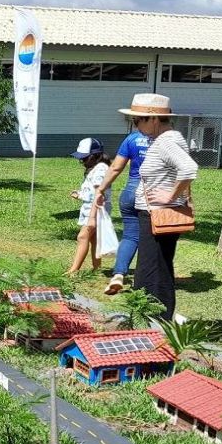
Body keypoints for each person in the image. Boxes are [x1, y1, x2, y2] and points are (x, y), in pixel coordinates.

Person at [117, 93, 198, 322]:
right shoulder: (167, 139)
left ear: (153, 119)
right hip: (158, 214)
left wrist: (170, 195)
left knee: (150, 271)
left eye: (137, 120)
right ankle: (156, 318)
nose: (135, 125)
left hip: (158, 214)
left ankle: (153, 321)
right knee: (157, 268)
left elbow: (189, 168)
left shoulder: (166, 141)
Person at [94, 122, 151, 294]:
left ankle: (118, 274)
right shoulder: (164, 139)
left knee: (130, 236)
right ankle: (147, 280)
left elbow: (116, 167)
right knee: (151, 240)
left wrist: (101, 190)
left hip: (129, 193)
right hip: (152, 196)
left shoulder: (132, 139)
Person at [67, 138, 113, 275]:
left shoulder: (100, 169)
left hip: (96, 209)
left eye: (84, 158)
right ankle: (96, 268)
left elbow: (99, 194)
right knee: (93, 239)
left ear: (94, 156)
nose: (81, 161)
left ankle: (74, 270)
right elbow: (92, 192)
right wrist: (80, 194)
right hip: (92, 208)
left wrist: (92, 217)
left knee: (82, 237)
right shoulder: (96, 168)